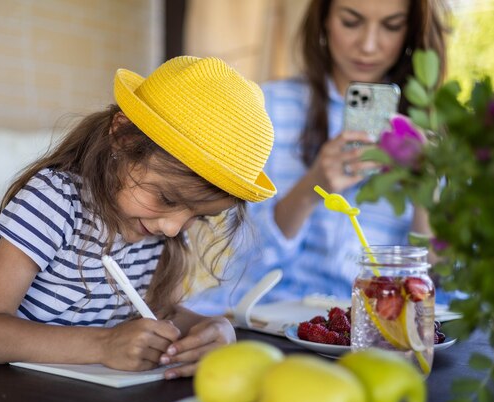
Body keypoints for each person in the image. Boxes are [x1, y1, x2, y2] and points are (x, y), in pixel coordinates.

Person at [0, 56, 277, 379]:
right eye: (166, 197)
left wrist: (213, 329)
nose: (173, 228)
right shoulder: (56, 199)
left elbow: (164, 314)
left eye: (198, 217)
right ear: (124, 137)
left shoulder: (161, 228)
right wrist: (105, 344)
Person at [186, 0, 452, 315]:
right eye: (351, 22)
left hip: (380, 323)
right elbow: (241, 259)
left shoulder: (436, 133)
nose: (368, 45)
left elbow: (443, 283)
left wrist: (427, 197)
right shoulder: (267, 107)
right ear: (324, 19)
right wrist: (311, 187)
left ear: (411, 32)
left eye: (391, 26)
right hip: (271, 315)